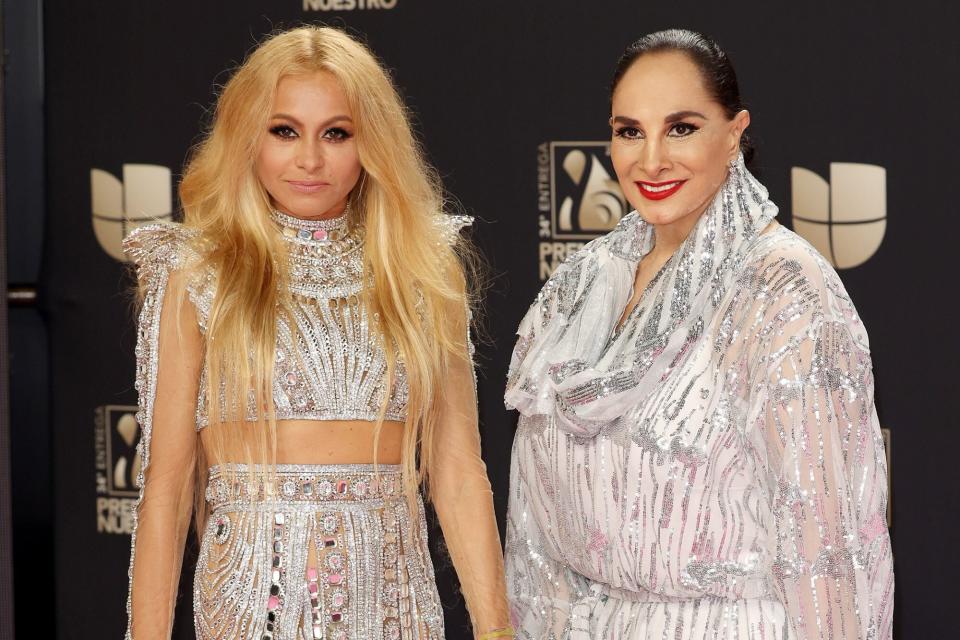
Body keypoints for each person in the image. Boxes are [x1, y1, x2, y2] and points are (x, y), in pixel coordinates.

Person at [123, 26, 512, 640]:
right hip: (253, 604)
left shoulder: (422, 267)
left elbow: (459, 470)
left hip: (394, 605)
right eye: (284, 131)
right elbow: (167, 489)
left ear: (370, 143)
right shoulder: (197, 272)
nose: (309, 159)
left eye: (336, 133)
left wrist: (497, 631)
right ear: (248, 137)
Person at [504, 29, 893, 639]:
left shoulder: (781, 289)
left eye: (681, 128)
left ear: (735, 132)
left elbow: (828, 541)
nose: (651, 159)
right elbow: (535, 532)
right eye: (629, 130)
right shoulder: (577, 288)